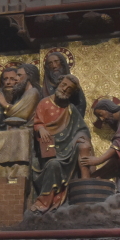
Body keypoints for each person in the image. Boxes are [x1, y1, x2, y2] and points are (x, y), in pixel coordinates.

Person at [30, 75, 94, 212]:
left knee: (82, 146)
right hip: (48, 151)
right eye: (64, 85)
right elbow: (36, 122)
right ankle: (44, 201)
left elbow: (82, 129)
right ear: (59, 84)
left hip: (67, 150)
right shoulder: (44, 103)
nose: (65, 89)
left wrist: (78, 137)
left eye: (69, 89)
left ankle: (81, 192)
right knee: (53, 164)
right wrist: (40, 128)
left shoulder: (70, 109)